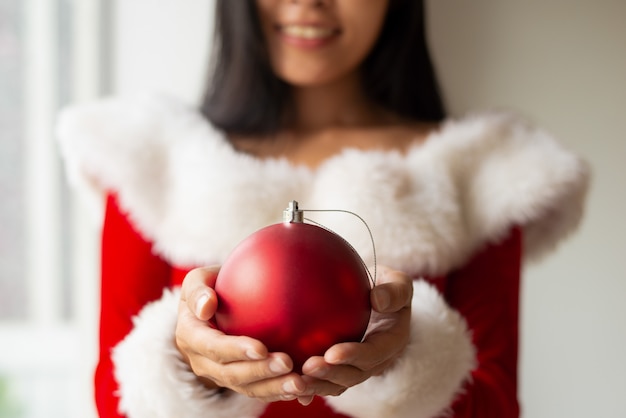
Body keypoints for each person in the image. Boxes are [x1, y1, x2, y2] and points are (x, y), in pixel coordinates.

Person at [56, 0, 590, 417]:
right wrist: (188, 367)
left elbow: (495, 408)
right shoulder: (157, 160)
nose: (309, 4)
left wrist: (404, 361)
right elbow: (113, 403)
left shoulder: (478, 172)